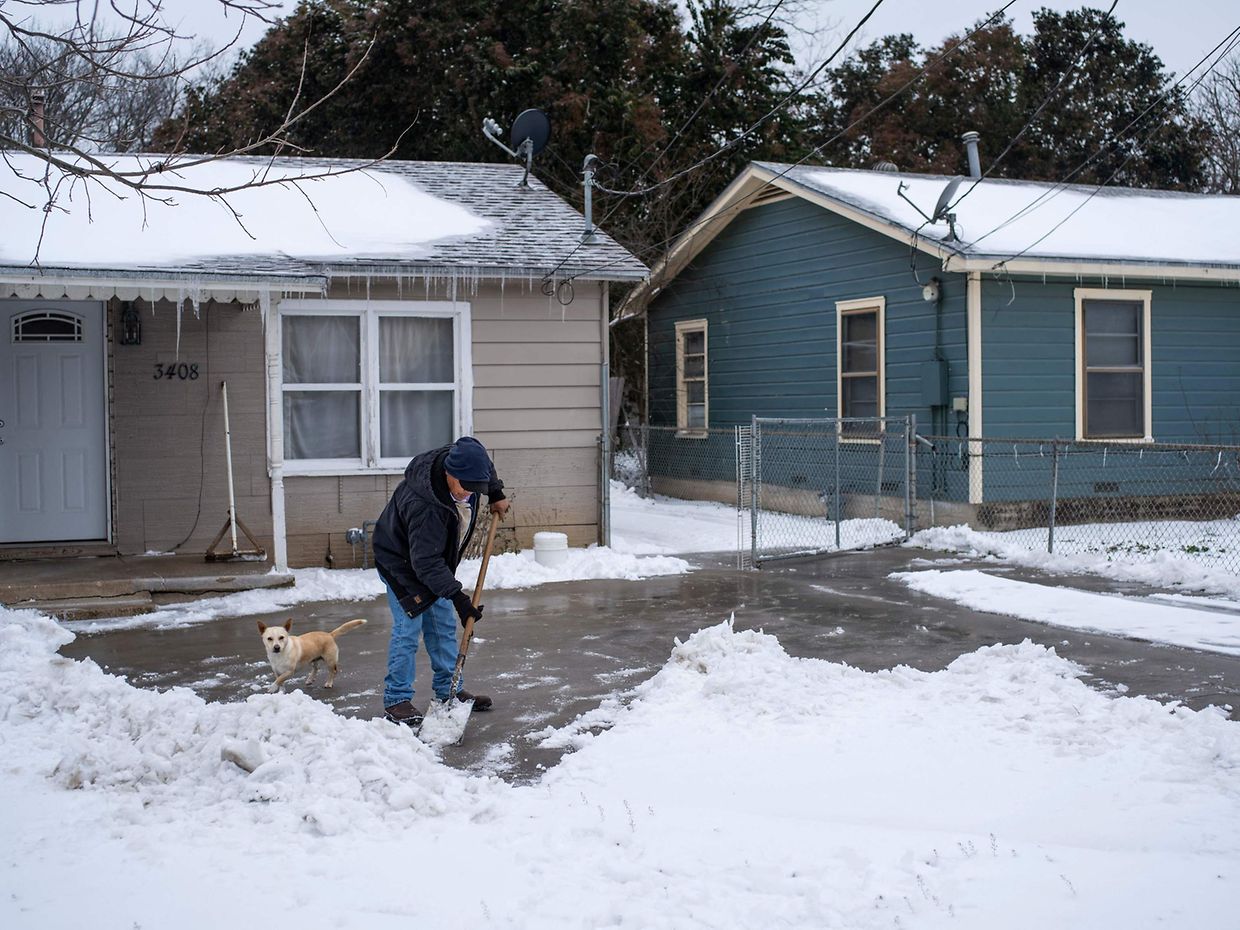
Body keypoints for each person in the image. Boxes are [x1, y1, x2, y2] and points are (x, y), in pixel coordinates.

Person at [372, 435, 510, 726]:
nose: (469, 494)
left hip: (430, 560)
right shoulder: (426, 506)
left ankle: (450, 692)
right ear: (449, 472)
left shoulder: (465, 458)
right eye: (465, 487)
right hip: (401, 563)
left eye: (476, 489)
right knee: (409, 629)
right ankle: (396, 699)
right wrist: (459, 598)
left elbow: (483, 463)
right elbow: (426, 564)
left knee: (443, 627)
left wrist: (495, 492)